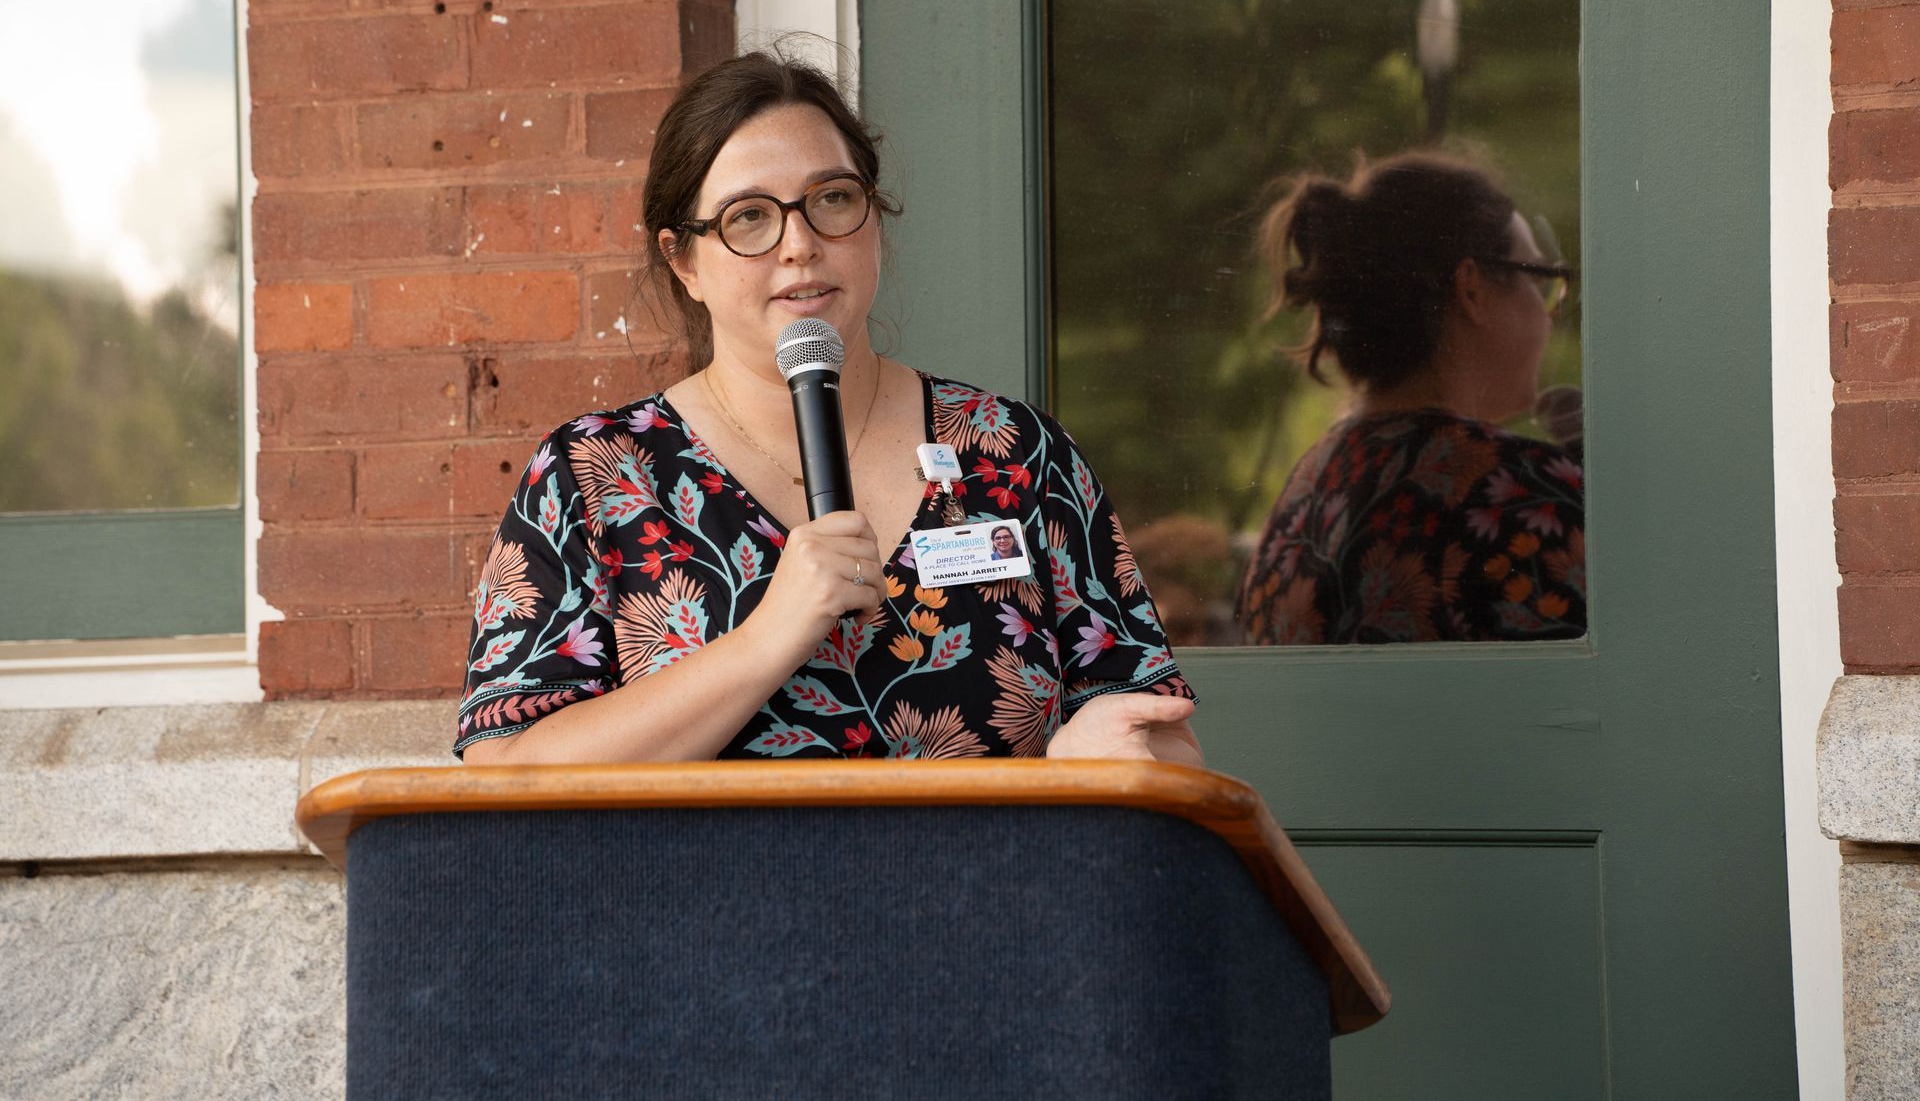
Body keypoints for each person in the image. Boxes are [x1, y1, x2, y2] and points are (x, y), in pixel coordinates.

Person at [458, 49, 1198, 763]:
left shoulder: (1016, 451)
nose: (801, 244)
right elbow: (509, 767)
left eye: (832, 199)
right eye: (749, 216)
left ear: (874, 218)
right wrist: (768, 637)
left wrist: (1094, 759)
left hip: (992, 888)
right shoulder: (594, 476)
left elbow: (1158, 728)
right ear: (685, 261)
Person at [1235, 151, 1586, 644]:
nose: (1549, 315)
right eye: (1540, 281)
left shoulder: (1304, 497)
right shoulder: (1529, 492)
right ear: (1471, 289)